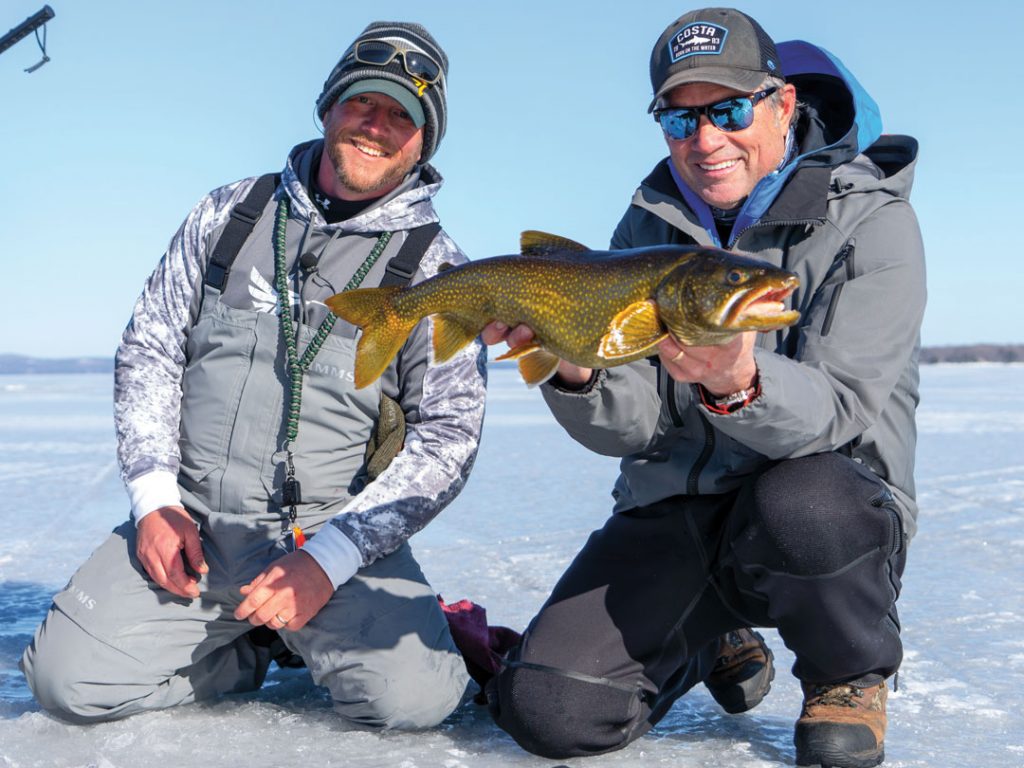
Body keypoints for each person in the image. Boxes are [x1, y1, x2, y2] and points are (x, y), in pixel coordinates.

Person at [482, 8, 924, 768]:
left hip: (820, 515)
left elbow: (843, 408)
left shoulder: (871, 223)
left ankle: (846, 674)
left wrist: (742, 385)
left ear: (780, 104)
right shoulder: (642, 228)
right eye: (679, 120)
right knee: (550, 711)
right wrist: (572, 367)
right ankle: (709, 633)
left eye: (728, 110)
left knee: (808, 507)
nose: (706, 139)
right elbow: (632, 429)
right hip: (676, 510)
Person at [21, 21, 487, 731]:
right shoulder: (229, 214)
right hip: (196, 531)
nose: (377, 126)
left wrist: (330, 559)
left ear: (424, 141)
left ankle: (318, 625)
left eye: (402, 115)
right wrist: (153, 500)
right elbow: (150, 349)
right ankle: (246, 652)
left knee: (414, 704)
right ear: (329, 106)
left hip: (333, 539)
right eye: (363, 102)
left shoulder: (438, 268)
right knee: (65, 686)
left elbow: (447, 436)